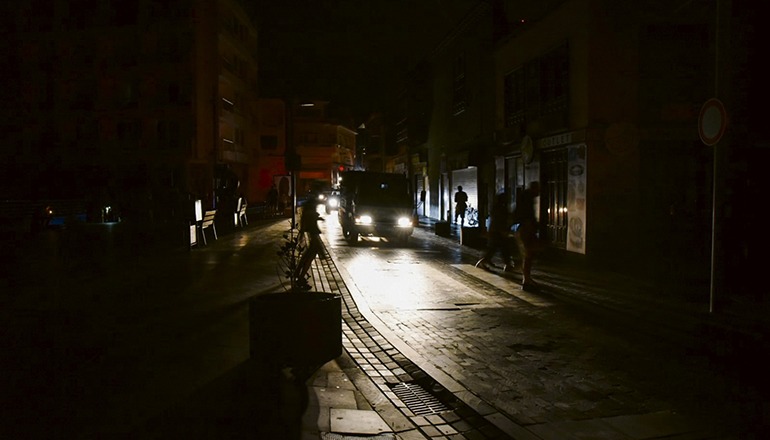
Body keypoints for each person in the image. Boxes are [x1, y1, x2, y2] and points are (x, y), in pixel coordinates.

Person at [476, 192, 516, 273]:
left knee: (497, 248)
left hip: (495, 230)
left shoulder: (496, 207)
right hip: (498, 231)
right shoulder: (501, 208)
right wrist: (503, 230)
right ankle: (484, 262)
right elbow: (500, 220)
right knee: (499, 248)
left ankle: (506, 264)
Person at [294, 187, 325, 287]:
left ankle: (299, 273)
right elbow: (309, 216)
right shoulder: (311, 205)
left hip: (313, 231)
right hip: (313, 232)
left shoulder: (309, 204)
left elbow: (306, 217)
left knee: (308, 255)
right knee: (310, 255)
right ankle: (301, 276)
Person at [514, 181, 541, 291]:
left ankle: (526, 278)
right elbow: (527, 215)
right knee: (528, 254)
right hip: (526, 228)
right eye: (537, 189)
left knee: (528, 254)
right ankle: (526, 279)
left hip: (525, 227)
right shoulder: (528, 200)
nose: (539, 192)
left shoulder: (525, 199)